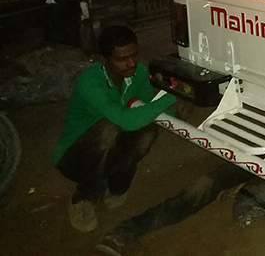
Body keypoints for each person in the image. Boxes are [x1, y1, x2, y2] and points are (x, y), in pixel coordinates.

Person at [53, 25, 176, 233]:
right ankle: (85, 197)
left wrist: (174, 110)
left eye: (134, 55)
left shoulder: (138, 73)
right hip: (75, 158)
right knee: (108, 129)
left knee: (148, 131)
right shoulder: (89, 82)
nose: (131, 63)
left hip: (111, 148)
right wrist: (170, 97)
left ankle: (118, 186)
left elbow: (149, 109)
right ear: (104, 59)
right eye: (122, 59)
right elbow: (126, 121)